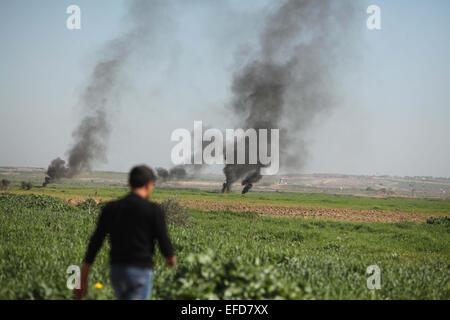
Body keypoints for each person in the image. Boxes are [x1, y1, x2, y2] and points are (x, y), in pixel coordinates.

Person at [74, 165, 177, 300]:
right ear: (149, 184)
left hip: (117, 271)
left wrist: (83, 278)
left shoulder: (110, 208)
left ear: (129, 183)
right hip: (140, 271)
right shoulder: (154, 210)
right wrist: (171, 260)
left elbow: (95, 243)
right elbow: (166, 247)